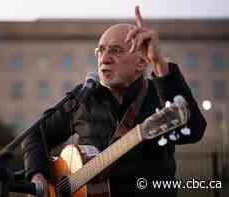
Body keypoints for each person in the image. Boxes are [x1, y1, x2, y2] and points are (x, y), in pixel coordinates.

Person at [22, 6, 207, 197]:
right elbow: (35, 134)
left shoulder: (159, 93)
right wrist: (38, 176)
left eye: (116, 51)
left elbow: (194, 130)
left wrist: (159, 62)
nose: (104, 58)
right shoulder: (83, 97)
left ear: (141, 63)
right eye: (101, 51)